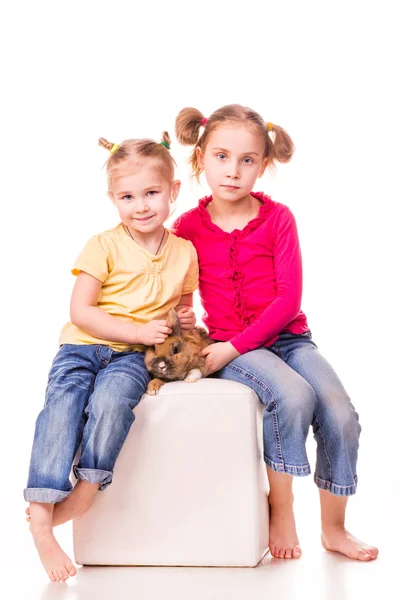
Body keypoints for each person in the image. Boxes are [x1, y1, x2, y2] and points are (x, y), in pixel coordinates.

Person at [172, 104, 378, 562]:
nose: (233, 171)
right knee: (292, 395)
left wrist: (232, 350)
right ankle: (281, 508)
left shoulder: (278, 218)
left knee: (340, 412)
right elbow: (177, 288)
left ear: (263, 165)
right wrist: (188, 323)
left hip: (286, 338)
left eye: (247, 160)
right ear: (200, 159)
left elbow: (288, 301)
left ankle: (334, 527)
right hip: (231, 344)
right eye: (221, 157)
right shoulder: (185, 227)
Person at [24, 132, 198, 582]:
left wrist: (181, 319)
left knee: (112, 404)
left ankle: (85, 490)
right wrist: (138, 328)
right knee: (62, 407)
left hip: (130, 358)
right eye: (127, 196)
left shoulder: (184, 252)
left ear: (173, 192)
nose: (140, 206)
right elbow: (80, 311)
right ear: (113, 199)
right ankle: (42, 511)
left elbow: (183, 304)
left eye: (152, 193)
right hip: (82, 347)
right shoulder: (102, 245)